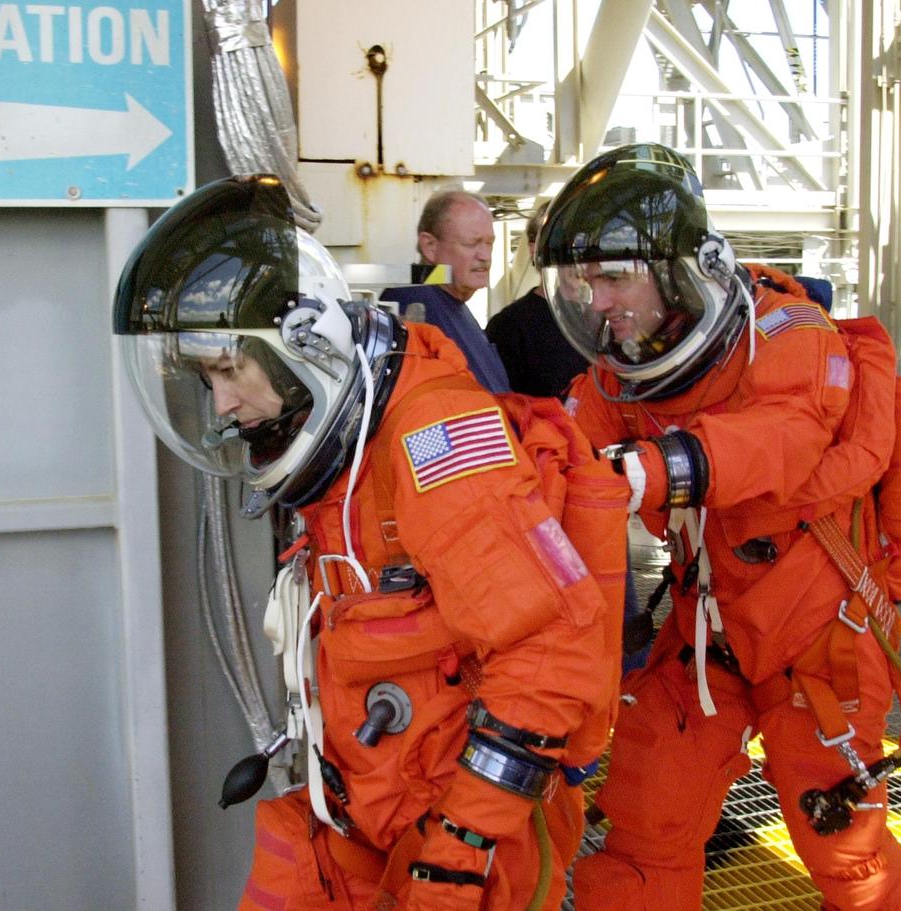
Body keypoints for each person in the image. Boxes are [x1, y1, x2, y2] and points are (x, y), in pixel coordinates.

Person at [114, 174, 622, 910]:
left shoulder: (431, 437)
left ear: (304, 347)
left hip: (461, 843)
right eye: (207, 377)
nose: (221, 404)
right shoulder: (348, 450)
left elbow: (549, 652)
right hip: (359, 810)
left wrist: (454, 857)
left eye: (229, 369)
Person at [536, 144, 901, 910]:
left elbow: (785, 440)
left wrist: (653, 469)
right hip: (709, 644)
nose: (597, 302)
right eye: (585, 282)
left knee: (850, 860)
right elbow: (562, 442)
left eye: (614, 277)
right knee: (643, 834)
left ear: (681, 268)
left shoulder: (787, 332)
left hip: (818, 650)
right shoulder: (624, 373)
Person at [379, 189, 511, 393]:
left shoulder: (452, 301)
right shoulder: (412, 302)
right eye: (471, 243)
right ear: (430, 246)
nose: (485, 255)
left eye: (489, 243)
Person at [485, 201, 588, 399]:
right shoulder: (508, 328)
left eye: (583, 244)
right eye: (565, 245)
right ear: (535, 250)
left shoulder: (604, 323)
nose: (577, 257)